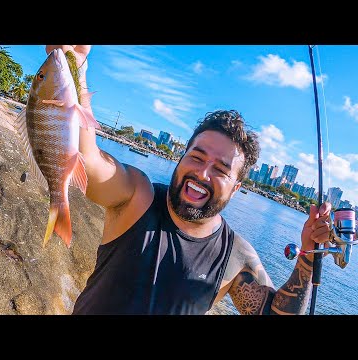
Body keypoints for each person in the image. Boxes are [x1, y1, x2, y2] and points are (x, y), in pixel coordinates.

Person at [45, 45, 332, 315]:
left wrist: (308, 254)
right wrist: (75, 65)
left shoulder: (234, 256)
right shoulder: (137, 197)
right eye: (196, 156)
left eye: (221, 169)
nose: (202, 173)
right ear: (181, 157)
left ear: (236, 188)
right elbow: (89, 160)